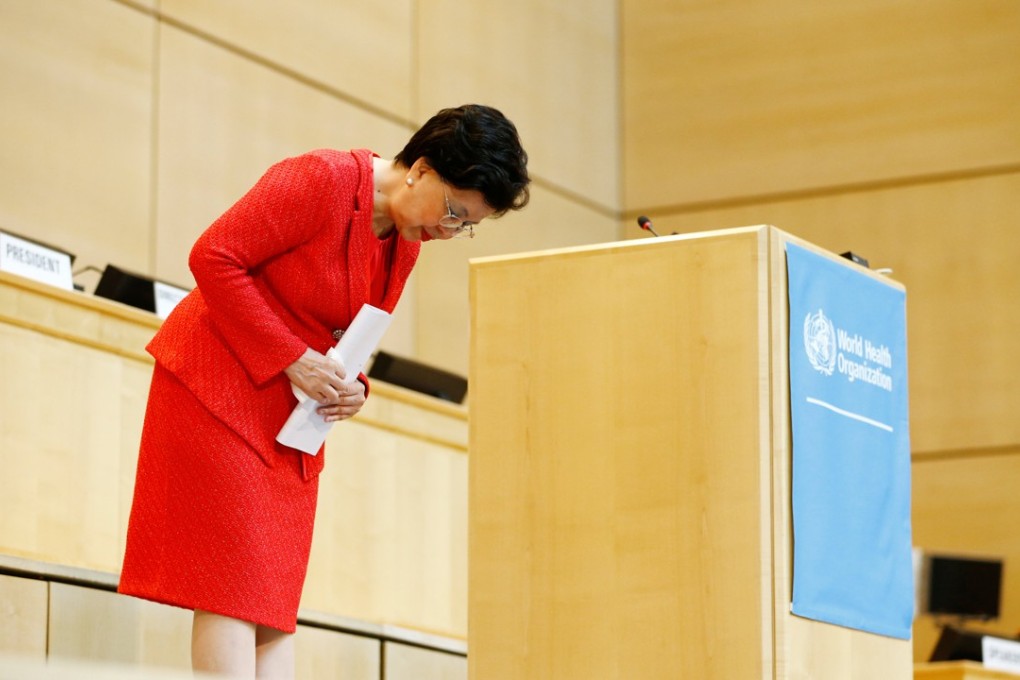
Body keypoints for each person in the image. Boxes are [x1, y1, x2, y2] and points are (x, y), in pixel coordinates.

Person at [118, 104, 530, 678]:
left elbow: (353, 335)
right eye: (455, 211)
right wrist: (291, 359)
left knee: (274, 608)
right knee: (232, 592)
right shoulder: (321, 179)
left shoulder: (404, 239)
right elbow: (212, 256)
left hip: (288, 418)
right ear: (422, 170)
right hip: (217, 390)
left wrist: (353, 387)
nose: (450, 230)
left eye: (467, 226)